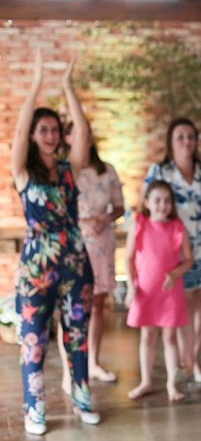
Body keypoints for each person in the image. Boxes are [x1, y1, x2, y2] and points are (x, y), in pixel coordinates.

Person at [11, 51, 100, 435]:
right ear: (33, 136)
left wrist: (66, 85)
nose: (50, 135)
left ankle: (82, 399)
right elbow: (15, 132)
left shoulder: (70, 169)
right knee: (33, 342)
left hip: (75, 264)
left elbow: (82, 132)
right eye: (42, 130)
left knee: (77, 337)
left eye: (53, 129)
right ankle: (35, 410)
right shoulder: (22, 173)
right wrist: (35, 82)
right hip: (35, 270)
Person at [144, 118, 201, 384]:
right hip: (176, 251)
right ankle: (184, 361)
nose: (186, 142)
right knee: (185, 304)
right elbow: (145, 209)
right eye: (180, 137)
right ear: (171, 141)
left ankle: (192, 360)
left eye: (191, 136)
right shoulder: (160, 172)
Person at [58, 124, 125, 390]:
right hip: (75, 244)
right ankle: (69, 368)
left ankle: (93, 362)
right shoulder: (64, 171)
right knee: (72, 308)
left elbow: (120, 206)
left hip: (103, 242)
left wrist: (104, 218)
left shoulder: (106, 170)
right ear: (68, 138)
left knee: (98, 305)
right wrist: (84, 220)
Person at [125, 180, 193, 402]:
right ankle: (145, 381)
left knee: (170, 337)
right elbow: (128, 257)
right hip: (146, 290)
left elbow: (189, 260)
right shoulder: (139, 225)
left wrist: (175, 274)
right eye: (157, 200)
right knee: (147, 336)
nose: (162, 205)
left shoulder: (178, 228)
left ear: (172, 204)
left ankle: (172, 384)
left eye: (166, 201)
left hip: (169, 291)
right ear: (147, 202)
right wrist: (130, 286)